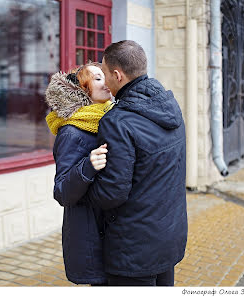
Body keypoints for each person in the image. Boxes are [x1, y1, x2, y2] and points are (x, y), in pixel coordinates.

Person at [88, 40, 187, 286]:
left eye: (104, 72)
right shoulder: (169, 105)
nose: (105, 81)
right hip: (168, 236)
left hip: (133, 249)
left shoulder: (117, 122)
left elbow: (112, 192)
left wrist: (84, 187)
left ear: (117, 75)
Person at [44, 62, 112, 285]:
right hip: (90, 232)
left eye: (106, 76)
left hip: (112, 228)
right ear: (83, 90)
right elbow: (62, 191)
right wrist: (88, 166)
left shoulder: (110, 119)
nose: (106, 83)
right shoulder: (72, 132)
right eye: (98, 79)